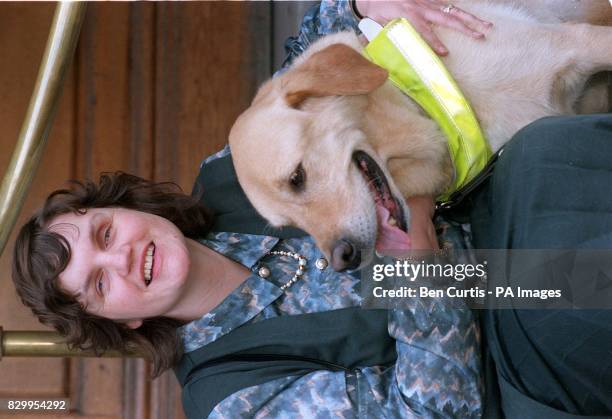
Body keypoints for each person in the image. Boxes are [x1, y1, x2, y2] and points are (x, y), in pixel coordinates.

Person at [12, 1, 612, 419]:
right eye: (98, 282)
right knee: (574, 270)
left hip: (499, 205)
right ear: (121, 324)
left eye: (105, 232)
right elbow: (430, 410)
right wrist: (421, 266)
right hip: (508, 352)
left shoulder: (229, 178)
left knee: (547, 150)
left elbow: (301, 70)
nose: (122, 258)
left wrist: (364, 5)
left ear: (128, 208)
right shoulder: (231, 393)